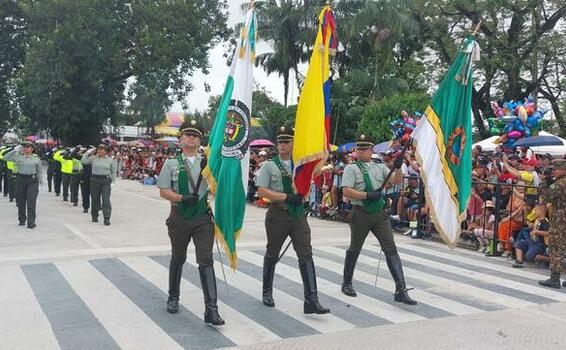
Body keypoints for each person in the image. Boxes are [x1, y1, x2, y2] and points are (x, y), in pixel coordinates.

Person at [156, 120, 224, 325]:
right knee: (178, 257)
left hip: (202, 217)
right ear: (181, 139)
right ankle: (173, 297)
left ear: (200, 140)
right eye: (188, 135)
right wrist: (181, 198)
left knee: (206, 260)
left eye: (195, 136)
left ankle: (211, 309)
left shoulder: (208, 163)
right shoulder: (171, 163)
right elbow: (163, 191)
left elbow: (217, 186)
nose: (191, 138)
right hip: (179, 216)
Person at [256, 127, 330, 314]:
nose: (281, 145)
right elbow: (262, 191)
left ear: (293, 144)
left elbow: (317, 169)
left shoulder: (301, 165)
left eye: (286, 142)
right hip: (278, 214)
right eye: (279, 142)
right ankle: (267, 291)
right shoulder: (269, 165)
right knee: (272, 253)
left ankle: (311, 299)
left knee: (306, 254)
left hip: (297, 215)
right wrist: (286, 197)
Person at [340, 134, 417, 305]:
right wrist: (367, 195)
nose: (361, 152)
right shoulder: (351, 169)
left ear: (371, 150)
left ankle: (401, 289)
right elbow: (346, 191)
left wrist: (398, 167)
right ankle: (347, 282)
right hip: (361, 212)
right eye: (359, 149)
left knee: (391, 249)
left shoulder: (379, 167)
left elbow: (396, 181)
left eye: (365, 149)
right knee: (354, 249)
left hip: (379, 214)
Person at [539, 159, 566, 288]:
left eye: (556, 169)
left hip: (561, 221)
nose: (554, 171)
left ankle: (554, 279)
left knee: (556, 249)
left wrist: (545, 180)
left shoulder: (560, 184)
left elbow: (546, 196)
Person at [3, 141, 41, 228]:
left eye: (27, 147)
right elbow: (5, 157)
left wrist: (40, 181)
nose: (25, 148)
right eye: (24, 147)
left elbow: (39, 170)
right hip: (21, 179)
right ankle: (22, 219)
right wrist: (14, 150)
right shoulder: (17, 157)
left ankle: (31, 222)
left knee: (31, 201)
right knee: (21, 201)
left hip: (32, 180)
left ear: (32, 148)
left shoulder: (36, 158)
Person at [81, 144, 116, 225]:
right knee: (95, 199)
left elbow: (113, 172)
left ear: (105, 151)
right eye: (99, 149)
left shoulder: (109, 160)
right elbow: (83, 161)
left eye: (102, 149)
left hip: (105, 181)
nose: (100, 151)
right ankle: (94, 215)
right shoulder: (93, 158)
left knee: (106, 199)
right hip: (95, 180)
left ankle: (106, 217)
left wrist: (113, 182)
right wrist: (88, 152)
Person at [80, 147, 93, 213]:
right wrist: (87, 153)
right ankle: (86, 207)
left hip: (93, 178)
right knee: (85, 194)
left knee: (95, 194)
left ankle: (97, 206)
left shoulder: (94, 157)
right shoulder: (85, 157)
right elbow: (83, 161)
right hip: (86, 178)